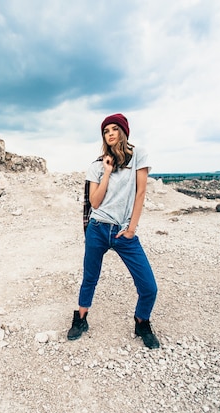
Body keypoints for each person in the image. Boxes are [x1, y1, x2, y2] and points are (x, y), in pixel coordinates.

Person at [67, 113, 160, 349]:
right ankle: (81, 318)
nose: (110, 133)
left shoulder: (139, 154)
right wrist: (107, 172)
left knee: (148, 286)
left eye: (114, 129)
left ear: (123, 131)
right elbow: (95, 202)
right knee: (90, 277)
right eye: (106, 130)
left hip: (123, 233)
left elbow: (140, 193)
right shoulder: (97, 165)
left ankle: (142, 321)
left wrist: (131, 229)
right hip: (97, 228)